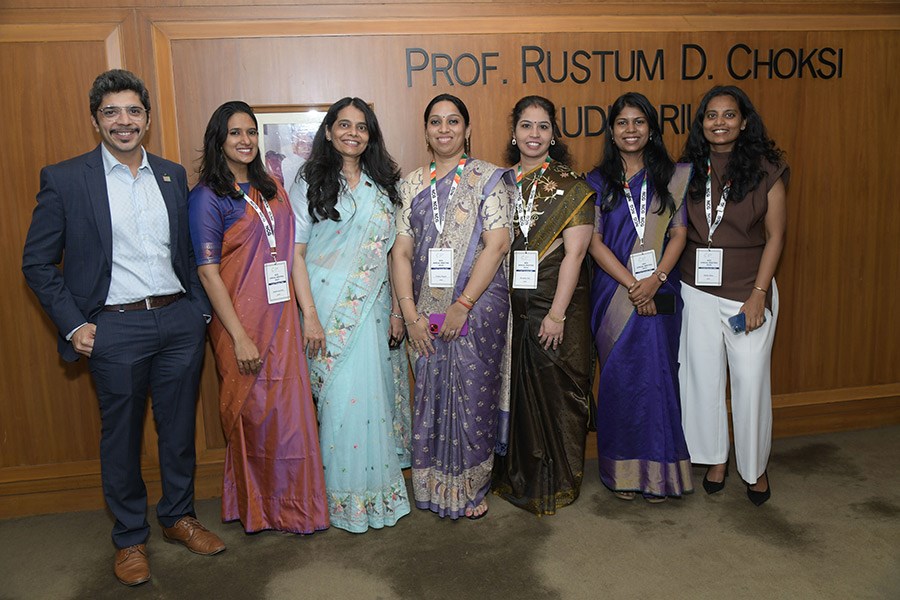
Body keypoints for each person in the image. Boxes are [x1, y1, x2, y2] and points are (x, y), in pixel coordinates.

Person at [21, 70, 224, 587]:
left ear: (147, 119)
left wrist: (198, 311)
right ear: (96, 120)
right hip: (114, 329)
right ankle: (130, 537)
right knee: (122, 438)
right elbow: (37, 263)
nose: (123, 121)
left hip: (178, 321)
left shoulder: (172, 175)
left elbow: (188, 252)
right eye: (111, 112)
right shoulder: (66, 179)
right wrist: (74, 326)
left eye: (133, 110)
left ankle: (178, 516)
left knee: (178, 431)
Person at [187, 101, 329, 534]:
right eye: (235, 133)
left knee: (290, 418)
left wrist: (307, 314)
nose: (245, 140)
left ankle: (295, 508)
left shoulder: (273, 189)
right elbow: (208, 273)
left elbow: (288, 253)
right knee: (256, 417)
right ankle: (260, 508)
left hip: (281, 319)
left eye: (251, 131)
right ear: (219, 140)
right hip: (240, 325)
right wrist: (239, 337)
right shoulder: (207, 197)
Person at [288, 97, 411, 533]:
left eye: (361, 126)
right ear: (328, 131)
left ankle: (373, 495)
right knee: (338, 402)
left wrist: (397, 310)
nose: (352, 133)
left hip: (373, 308)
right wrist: (309, 316)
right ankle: (340, 499)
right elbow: (296, 255)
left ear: (370, 135)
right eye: (344, 125)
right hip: (325, 307)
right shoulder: (309, 181)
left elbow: (393, 253)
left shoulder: (384, 185)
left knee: (370, 401)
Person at [391, 93, 515, 520]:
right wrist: (410, 315)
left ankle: (472, 487)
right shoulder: (410, 185)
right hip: (423, 310)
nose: (444, 129)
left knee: (474, 395)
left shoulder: (487, 179)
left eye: (453, 121)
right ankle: (433, 484)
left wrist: (463, 304)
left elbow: (497, 244)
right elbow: (401, 252)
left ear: (467, 129)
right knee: (431, 395)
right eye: (436, 122)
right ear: (426, 131)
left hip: (478, 306)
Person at [678, 85, 788, 506]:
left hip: (747, 292)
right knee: (702, 380)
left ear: (743, 122)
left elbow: (776, 237)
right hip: (695, 289)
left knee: (751, 379)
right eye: (711, 115)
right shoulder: (687, 170)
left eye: (728, 115)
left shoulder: (767, 169)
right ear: (701, 123)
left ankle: (755, 466)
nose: (719, 122)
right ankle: (715, 458)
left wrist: (760, 293)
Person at [586, 92, 694, 502]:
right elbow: (594, 242)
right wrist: (634, 284)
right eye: (622, 123)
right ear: (612, 132)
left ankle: (660, 474)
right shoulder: (597, 181)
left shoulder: (671, 177)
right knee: (619, 379)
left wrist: (655, 279)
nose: (630, 130)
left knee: (658, 377)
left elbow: (679, 233)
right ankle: (623, 472)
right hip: (613, 293)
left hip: (661, 289)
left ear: (651, 129)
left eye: (639, 122)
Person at [490, 96, 595, 515]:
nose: (534, 134)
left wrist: (556, 314)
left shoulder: (572, 187)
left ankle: (555, 479)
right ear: (514, 133)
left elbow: (575, 254)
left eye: (543, 126)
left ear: (553, 135)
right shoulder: (499, 183)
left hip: (555, 300)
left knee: (553, 390)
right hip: (510, 300)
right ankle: (518, 473)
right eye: (526, 126)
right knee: (515, 386)